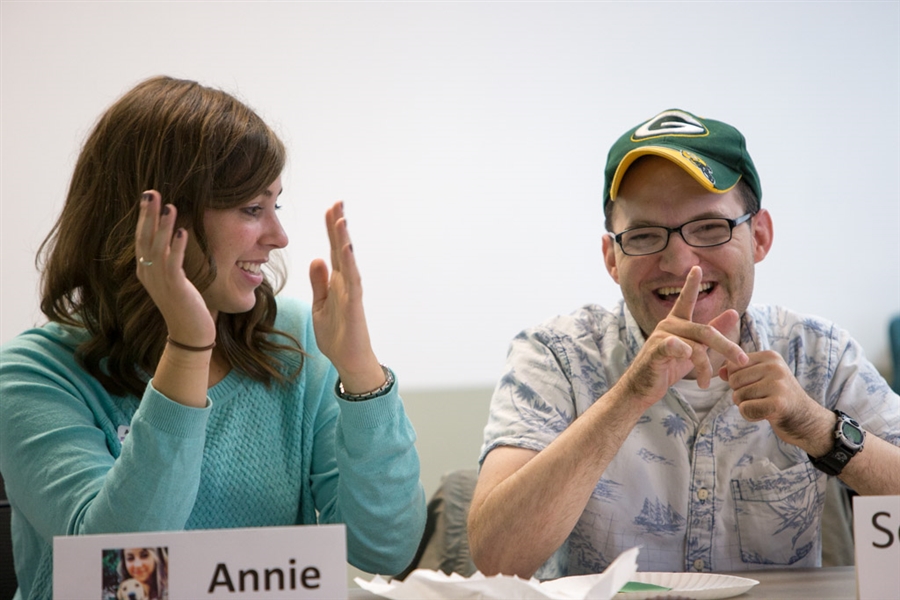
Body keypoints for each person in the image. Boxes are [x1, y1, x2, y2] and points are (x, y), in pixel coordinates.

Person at [0, 76, 426, 600]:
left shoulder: (291, 340)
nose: (279, 236)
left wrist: (361, 374)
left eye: (277, 206)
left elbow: (386, 549)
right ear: (158, 220)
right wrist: (188, 348)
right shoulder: (32, 373)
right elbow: (119, 568)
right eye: (252, 209)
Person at [468, 108, 900, 579]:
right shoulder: (555, 356)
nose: (679, 261)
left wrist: (818, 429)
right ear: (612, 258)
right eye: (644, 235)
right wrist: (628, 396)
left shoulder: (821, 355)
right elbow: (496, 559)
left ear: (759, 236)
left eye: (710, 227)